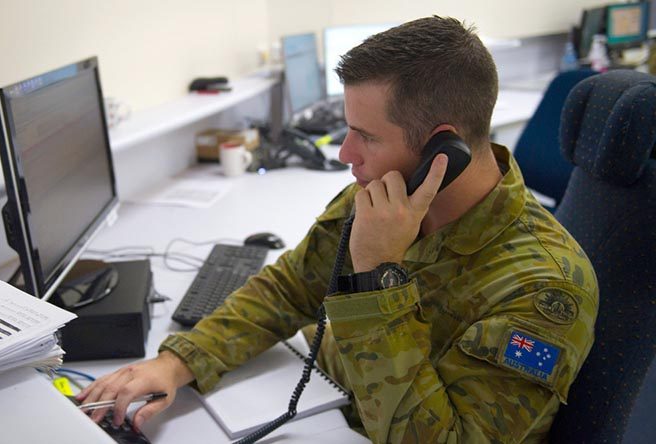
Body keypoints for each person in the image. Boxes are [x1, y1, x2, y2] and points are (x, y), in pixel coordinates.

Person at [77, 16, 598, 443]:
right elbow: (291, 286)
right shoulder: (383, 193)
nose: (346, 155)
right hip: (321, 405)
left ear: (443, 151)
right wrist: (179, 361)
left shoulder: (543, 289)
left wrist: (375, 279)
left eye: (365, 136)